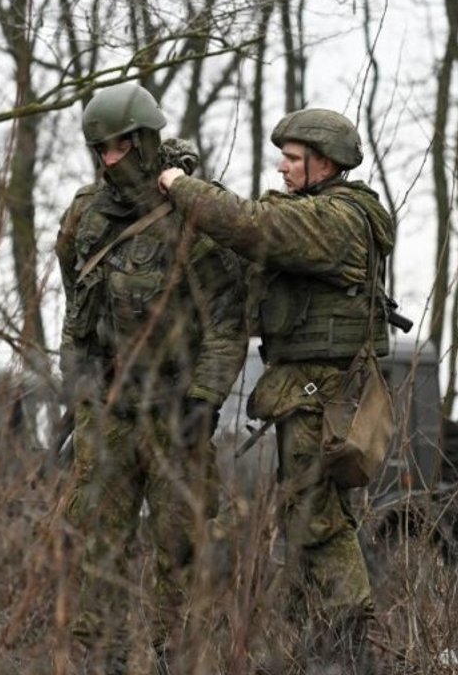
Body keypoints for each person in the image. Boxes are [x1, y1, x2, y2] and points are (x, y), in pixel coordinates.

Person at [158, 108, 394, 673]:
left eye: (293, 159)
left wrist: (179, 185)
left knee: (317, 518)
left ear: (325, 163)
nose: (283, 169)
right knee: (310, 514)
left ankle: (347, 645)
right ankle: (323, 640)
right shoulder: (318, 211)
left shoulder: (336, 219)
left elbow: (253, 227)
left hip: (322, 392)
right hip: (306, 390)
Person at [55, 83, 248, 674]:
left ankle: (174, 659)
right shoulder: (86, 215)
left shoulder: (192, 209)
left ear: (143, 141)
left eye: (118, 146)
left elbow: (226, 318)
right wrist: (78, 390)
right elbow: (76, 309)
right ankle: (100, 660)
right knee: (94, 544)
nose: (108, 159)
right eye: (100, 149)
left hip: (174, 407)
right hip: (108, 408)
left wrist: (205, 401)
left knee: (181, 546)